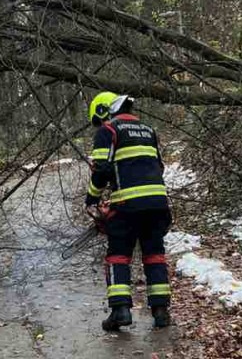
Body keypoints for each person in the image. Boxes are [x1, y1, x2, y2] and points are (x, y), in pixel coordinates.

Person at [85, 91, 172, 331]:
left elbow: (101, 171)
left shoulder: (108, 131)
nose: (99, 125)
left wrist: (92, 198)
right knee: (154, 254)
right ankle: (161, 311)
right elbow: (157, 167)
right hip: (158, 204)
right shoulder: (148, 130)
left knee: (118, 256)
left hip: (127, 206)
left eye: (98, 119)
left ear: (105, 110)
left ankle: (120, 310)